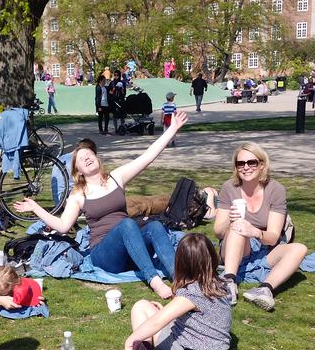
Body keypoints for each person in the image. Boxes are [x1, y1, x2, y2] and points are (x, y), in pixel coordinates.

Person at [13, 112, 189, 299]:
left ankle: (179, 279)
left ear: (97, 158)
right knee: (127, 224)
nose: (87, 158)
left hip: (131, 250)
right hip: (104, 256)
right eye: (82, 158)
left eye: (90, 154)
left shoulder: (117, 177)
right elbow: (64, 226)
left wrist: (172, 129)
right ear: (78, 171)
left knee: (155, 226)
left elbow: (147, 157)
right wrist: (36, 208)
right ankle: (154, 281)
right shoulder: (79, 194)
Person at [124, 233, 232, 350]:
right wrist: (168, 310)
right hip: (179, 338)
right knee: (141, 307)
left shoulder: (196, 293)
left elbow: (157, 322)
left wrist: (130, 341)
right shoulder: (221, 282)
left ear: (181, 262)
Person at [213, 143, 307, 311]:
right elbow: (218, 232)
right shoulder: (229, 188)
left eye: (252, 162)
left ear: (262, 164)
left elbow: (272, 236)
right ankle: (229, 282)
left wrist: (255, 232)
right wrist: (230, 220)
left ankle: (264, 289)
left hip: (263, 247)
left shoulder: (275, 189)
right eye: (240, 163)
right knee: (237, 227)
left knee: (299, 249)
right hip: (234, 247)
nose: (246, 167)